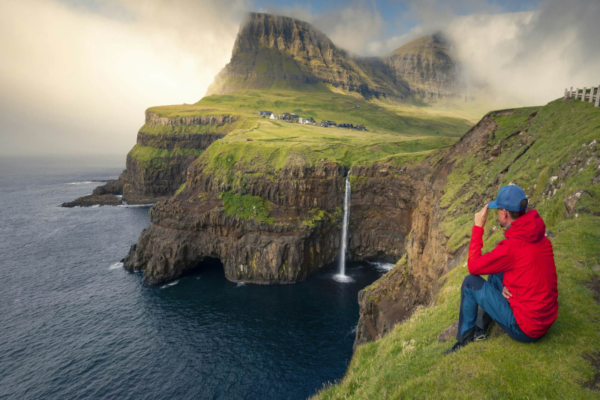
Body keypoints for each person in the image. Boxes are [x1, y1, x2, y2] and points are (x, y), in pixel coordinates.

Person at [446, 185, 559, 354]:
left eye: (497, 209)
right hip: (545, 319)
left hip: (527, 329)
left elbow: (474, 266)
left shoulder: (512, 247)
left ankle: (464, 342)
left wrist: (478, 227)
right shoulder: (539, 237)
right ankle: (481, 329)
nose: (496, 213)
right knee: (497, 270)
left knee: (470, 283)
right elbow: (527, 272)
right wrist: (509, 286)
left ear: (505, 213)